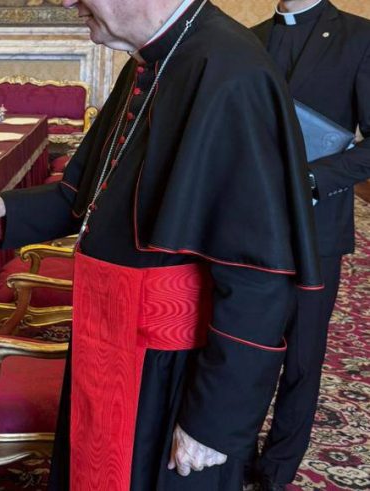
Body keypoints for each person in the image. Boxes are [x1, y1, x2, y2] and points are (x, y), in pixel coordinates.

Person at [0, 0, 323, 489]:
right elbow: (86, 194)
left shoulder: (232, 71)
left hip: (170, 370)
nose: (67, 1)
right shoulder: (151, 61)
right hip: (109, 342)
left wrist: (213, 422)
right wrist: (0, 206)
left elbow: (257, 275)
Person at [250, 1, 370, 489]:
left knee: (302, 357)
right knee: (244, 350)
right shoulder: (250, 37)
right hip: (247, 227)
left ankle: (276, 470)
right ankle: (233, 453)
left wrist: (312, 179)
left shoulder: (360, 37)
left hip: (316, 228)